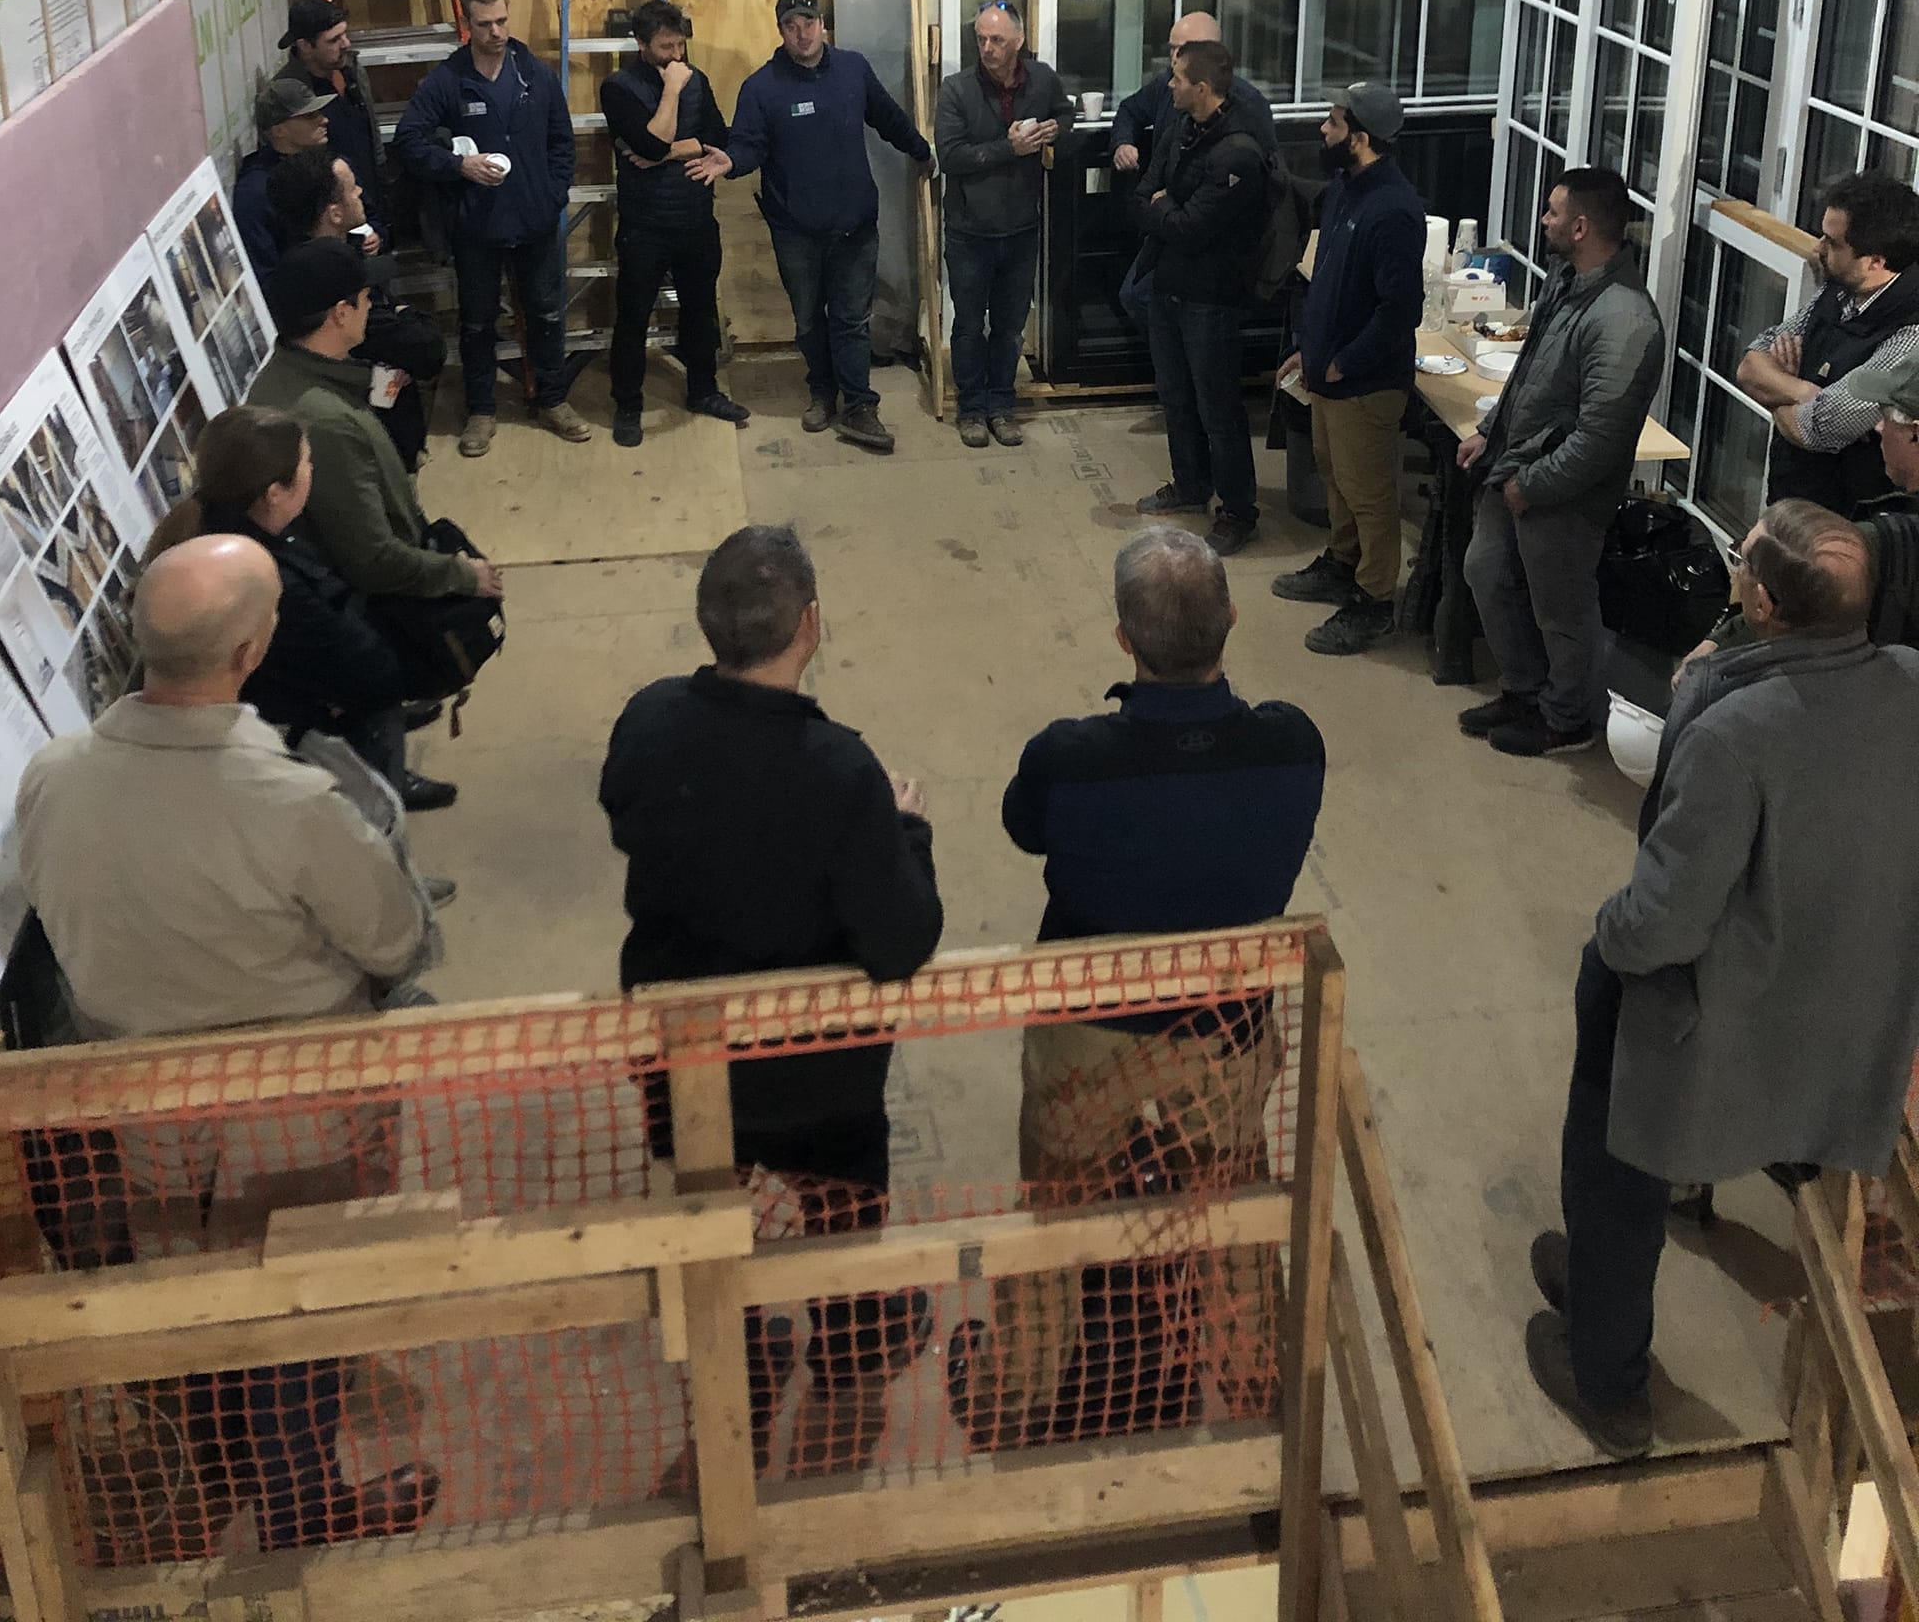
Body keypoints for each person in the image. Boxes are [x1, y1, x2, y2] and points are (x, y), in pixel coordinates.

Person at [16, 534, 440, 1547]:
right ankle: (302, 1505)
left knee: (190, 1297)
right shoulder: (292, 803)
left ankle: (226, 1476)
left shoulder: (49, 778)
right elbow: (393, 939)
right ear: (252, 650)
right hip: (293, 1118)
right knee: (299, 1321)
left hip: (134, 1109)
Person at [1525, 501, 1919, 1461]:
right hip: (1857, 1003)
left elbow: (1665, 919)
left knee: (1611, 1136)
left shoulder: (1734, 728)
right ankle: (1634, 1243)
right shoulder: (1910, 681)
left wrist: (1608, 940)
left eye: (1743, 563)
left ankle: (1608, 1374)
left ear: (1764, 603)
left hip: (1725, 1010)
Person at [950, 526, 1324, 1448]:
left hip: (1091, 1026)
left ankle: (1021, 1385)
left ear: (1123, 639)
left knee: (1059, 1208)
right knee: (1231, 1200)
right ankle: (1249, 1380)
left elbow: (1023, 830)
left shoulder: (1070, 759)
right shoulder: (1290, 746)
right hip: (1225, 1024)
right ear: (1231, 622)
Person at [600, 525, 942, 1471]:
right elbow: (901, 939)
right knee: (841, 1209)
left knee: (709, 1219)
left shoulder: (649, 718)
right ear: (812, 626)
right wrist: (906, 833)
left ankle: (740, 1368)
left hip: (683, 1056)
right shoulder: (842, 771)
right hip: (815, 1072)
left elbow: (623, 808)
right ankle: (848, 1350)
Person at [145, 405, 456, 813]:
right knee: (373, 774)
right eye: (307, 462)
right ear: (275, 493)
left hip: (296, 688)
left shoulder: (220, 523)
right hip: (304, 711)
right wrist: (399, 677)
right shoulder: (269, 577)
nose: (313, 470)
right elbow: (363, 669)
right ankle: (387, 792)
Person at [1457, 168, 1664, 758]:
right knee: (1486, 571)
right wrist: (1489, 432)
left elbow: (1601, 438)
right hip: (1517, 464)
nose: (1542, 220)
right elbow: (1530, 375)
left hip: (1563, 492)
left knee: (1562, 610)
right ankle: (1524, 690)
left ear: (1580, 225)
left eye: (1551, 212)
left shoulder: (1624, 319)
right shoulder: (1567, 280)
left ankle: (1567, 719)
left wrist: (1533, 485)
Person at [688, 0, 931, 454]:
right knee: (807, 322)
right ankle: (822, 391)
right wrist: (730, 162)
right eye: (791, 25)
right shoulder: (761, 88)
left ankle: (860, 405)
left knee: (850, 319)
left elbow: (887, 117)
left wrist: (922, 151)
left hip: (855, 224)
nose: (802, 33)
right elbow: (748, 145)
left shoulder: (853, 69)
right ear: (780, 31)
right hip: (795, 230)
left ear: (823, 23)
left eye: (809, 21)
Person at [250, 241, 506, 612]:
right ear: (341, 312)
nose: (371, 306)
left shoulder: (294, 378)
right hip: (381, 610)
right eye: (366, 297)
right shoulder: (327, 422)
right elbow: (372, 559)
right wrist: (463, 576)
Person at [392, 0, 589, 456]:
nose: (497, 31)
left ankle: (553, 399)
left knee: (545, 312)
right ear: (468, 25)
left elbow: (562, 142)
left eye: (502, 21)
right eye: (485, 25)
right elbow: (408, 141)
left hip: (536, 221)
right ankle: (481, 410)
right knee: (477, 321)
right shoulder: (448, 81)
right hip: (477, 227)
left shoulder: (535, 77)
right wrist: (457, 166)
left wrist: (553, 193)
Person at [1271, 83, 1425, 655]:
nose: (1322, 131)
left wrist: (1343, 362)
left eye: (1332, 123)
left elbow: (1400, 311)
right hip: (1328, 373)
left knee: (1370, 493)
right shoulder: (1342, 191)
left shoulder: (1394, 211)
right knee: (1335, 476)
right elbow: (1325, 280)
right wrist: (1307, 351)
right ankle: (1341, 563)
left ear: (1360, 138)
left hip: (1365, 383)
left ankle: (1374, 601)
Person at [1133, 42, 1271, 557]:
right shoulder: (1178, 130)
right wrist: (1165, 207)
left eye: (1176, 78)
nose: (1169, 85)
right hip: (1167, 288)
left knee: (1218, 408)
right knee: (1175, 394)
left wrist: (1165, 207)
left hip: (1211, 298)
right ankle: (1190, 483)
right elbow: (1142, 193)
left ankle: (1238, 510)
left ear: (1202, 88)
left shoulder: (1238, 152)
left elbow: (1193, 228)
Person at [1678, 374, 1919, 669]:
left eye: (1885, 415)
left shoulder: (1876, 542)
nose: (1879, 427)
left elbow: (1793, 600)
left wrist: (1719, 649)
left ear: (1914, 435)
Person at [599, 0, 748, 451]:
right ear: (642, 44)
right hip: (645, 224)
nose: (676, 57)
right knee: (633, 316)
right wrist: (671, 93)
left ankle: (703, 390)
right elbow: (648, 138)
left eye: (680, 45)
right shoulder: (617, 87)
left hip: (695, 218)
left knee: (700, 310)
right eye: (666, 47)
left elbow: (716, 138)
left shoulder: (697, 79)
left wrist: (675, 150)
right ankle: (628, 405)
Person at [1734, 169, 1919, 516]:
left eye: (1833, 242)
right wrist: (1804, 391)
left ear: (1875, 262)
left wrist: (1776, 395)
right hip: (1792, 502)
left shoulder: (1910, 332)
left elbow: (1818, 429)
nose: (1818, 248)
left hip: (1847, 527)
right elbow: (1750, 365)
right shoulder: (1842, 288)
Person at [934, 0, 1073, 449]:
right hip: (969, 230)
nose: (987, 47)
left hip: (1020, 228)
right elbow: (951, 156)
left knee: (1011, 326)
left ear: (1019, 41)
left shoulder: (1042, 80)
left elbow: (1067, 113)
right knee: (970, 326)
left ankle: (1001, 406)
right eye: (981, 39)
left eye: (996, 39)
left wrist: (1056, 130)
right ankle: (971, 409)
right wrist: (1006, 148)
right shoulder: (956, 90)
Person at [265, 148, 446, 472]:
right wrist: (402, 310)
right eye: (352, 189)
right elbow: (427, 347)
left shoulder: (315, 260)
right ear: (334, 213)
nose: (360, 192)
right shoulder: (326, 285)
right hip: (379, 449)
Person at [1109, 12, 1277, 335]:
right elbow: (1130, 113)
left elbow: (1258, 177)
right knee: (1138, 297)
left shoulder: (1247, 109)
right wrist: (1122, 143)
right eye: (1171, 48)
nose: (1173, 59)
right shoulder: (1169, 94)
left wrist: (1164, 205)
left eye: (1181, 48)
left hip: (1214, 245)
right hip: (1167, 232)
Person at [275, 0, 387, 241]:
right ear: (305, 46)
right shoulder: (292, 93)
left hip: (368, 203)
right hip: (333, 222)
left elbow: (371, 133)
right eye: (333, 40)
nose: (345, 44)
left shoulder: (352, 69)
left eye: (345, 34)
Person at [233, 78, 335, 279]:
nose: (324, 120)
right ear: (279, 130)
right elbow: (265, 273)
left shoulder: (324, 162)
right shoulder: (256, 191)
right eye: (309, 115)